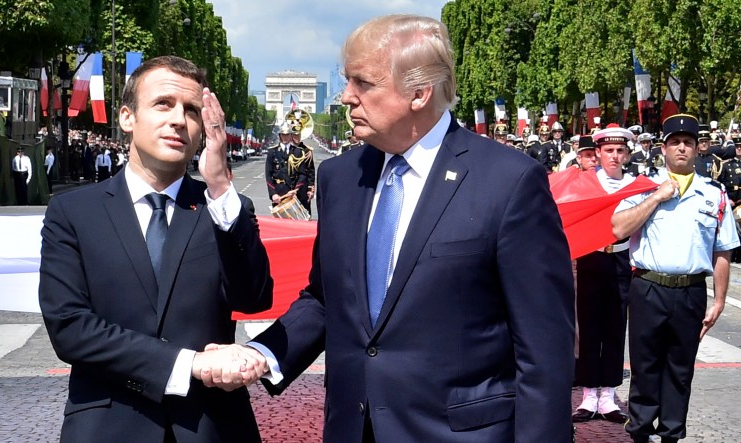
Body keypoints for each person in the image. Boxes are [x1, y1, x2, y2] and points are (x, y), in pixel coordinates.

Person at [207, 14, 575, 442]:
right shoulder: (340, 178)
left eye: (363, 83)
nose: (345, 97)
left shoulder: (509, 181)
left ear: (419, 93)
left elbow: (544, 350)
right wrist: (262, 352)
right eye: (347, 81)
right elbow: (327, 299)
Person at [38, 55, 274, 443]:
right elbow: (70, 329)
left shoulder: (225, 207)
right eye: (163, 104)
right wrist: (188, 364)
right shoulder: (73, 212)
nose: (179, 119)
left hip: (212, 427)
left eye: (192, 110)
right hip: (108, 427)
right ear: (127, 118)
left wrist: (220, 188)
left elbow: (253, 298)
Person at [612, 114, 739, 443]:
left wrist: (720, 299)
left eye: (688, 143)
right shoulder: (643, 187)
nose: (681, 148)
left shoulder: (714, 194)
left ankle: (671, 435)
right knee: (644, 367)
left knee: (680, 371)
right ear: (663, 149)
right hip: (648, 287)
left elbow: (722, 251)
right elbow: (619, 229)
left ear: (697, 149)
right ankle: (639, 432)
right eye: (675, 142)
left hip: (690, 292)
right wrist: (656, 198)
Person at [572, 127, 634, 425]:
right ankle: (587, 394)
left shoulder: (636, 185)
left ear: (627, 154)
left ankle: (608, 394)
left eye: (620, 151)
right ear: (597, 153)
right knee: (588, 325)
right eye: (608, 151)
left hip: (620, 258)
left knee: (614, 325)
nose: (614, 156)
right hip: (591, 256)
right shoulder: (586, 183)